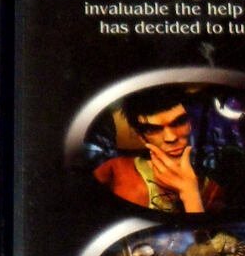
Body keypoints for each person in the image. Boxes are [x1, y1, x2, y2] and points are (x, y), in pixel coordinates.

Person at [94, 88, 223, 214]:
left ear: (190, 124)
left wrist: (190, 193)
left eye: (179, 123)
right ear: (141, 137)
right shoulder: (116, 169)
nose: (170, 138)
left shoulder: (211, 188)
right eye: (153, 130)